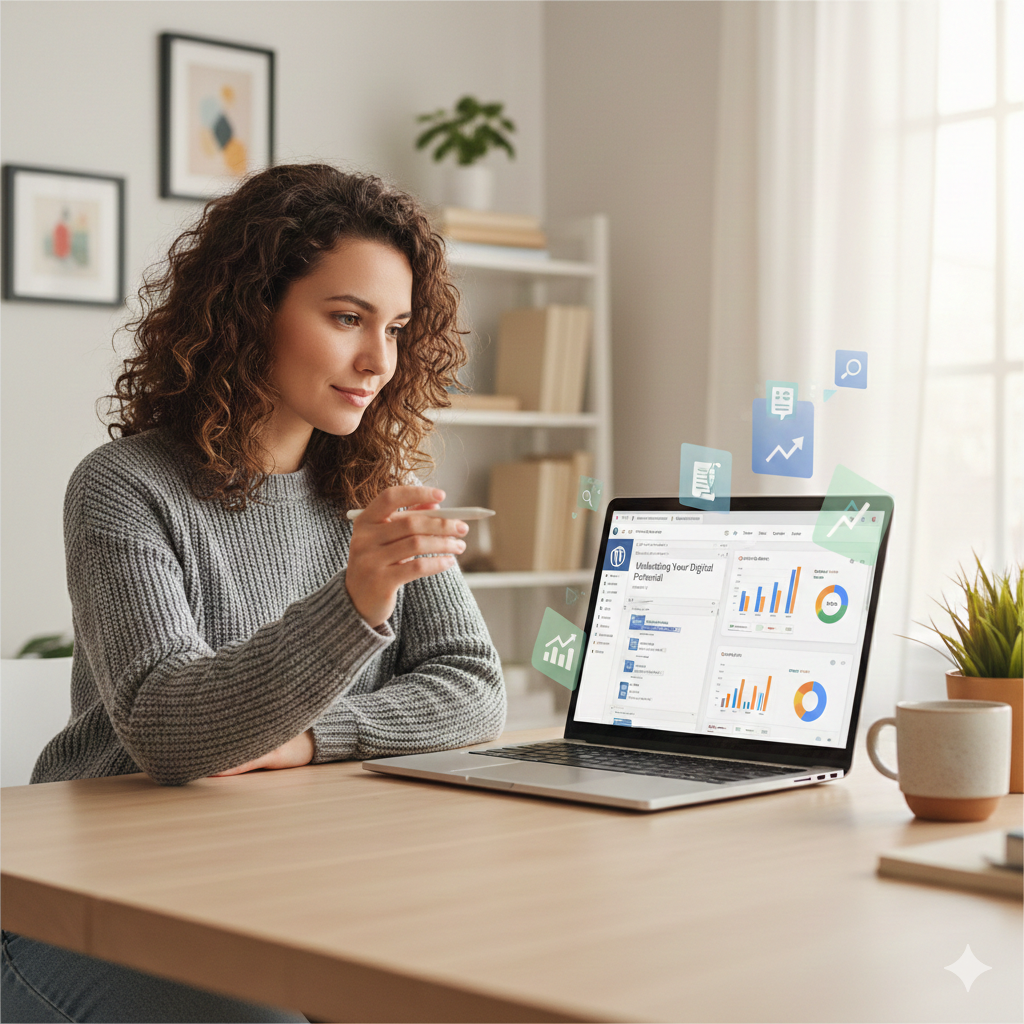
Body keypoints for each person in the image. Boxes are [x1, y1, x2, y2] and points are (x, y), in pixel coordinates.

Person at [1, 164, 506, 1023]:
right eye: (347, 318)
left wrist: (311, 739)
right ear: (249, 310)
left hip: (293, 880)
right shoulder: (125, 488)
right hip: (96, 902)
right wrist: (354, 604)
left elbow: (473, 688)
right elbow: (169, 727)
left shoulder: (375, 485)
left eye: (395, 327)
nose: (377, 360)